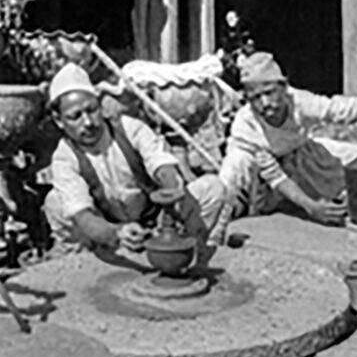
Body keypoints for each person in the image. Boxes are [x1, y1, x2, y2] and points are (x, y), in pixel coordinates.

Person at [42, 63, 226, 255]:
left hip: (156, 221)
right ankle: (86, 265)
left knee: (212, 188)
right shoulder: (64, 158)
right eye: (75, 116)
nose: (88, 122)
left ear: (100, 105)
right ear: (59, 120)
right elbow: (82, 216)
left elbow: (160, 161)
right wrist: (117, 233)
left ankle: (186, 250)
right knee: (55, 203)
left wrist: (171, 189)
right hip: (109, 232)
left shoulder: (129, 128)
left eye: (91, 110)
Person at [217, 51, 357, 226]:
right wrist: (312, 207)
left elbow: (336, 109)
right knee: (234, 167)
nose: (265, 103)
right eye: (255, 98)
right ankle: (221, 223)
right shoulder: (246, 125)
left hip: (299, 158)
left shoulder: (299, 102)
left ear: (284, 88)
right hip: (262, 178)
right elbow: (274, 175)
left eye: (269, 93)